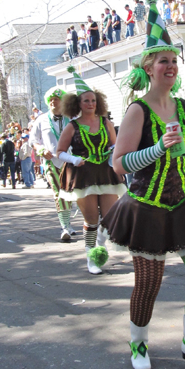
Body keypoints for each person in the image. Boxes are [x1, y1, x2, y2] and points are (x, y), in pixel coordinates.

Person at [101, 0, 185, 369]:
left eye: (174, 60)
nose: (170, 66)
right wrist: (156, 148)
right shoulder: (137, 110)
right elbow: (119, 165)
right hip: (147, 206)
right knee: (149, 282)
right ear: (148, 67)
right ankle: (138, 344)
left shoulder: (184, 106)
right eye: (163, 61)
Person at [57, 67, 126, 273]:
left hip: (105, 173)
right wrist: (73, 158)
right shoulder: (72, 126)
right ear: (77, 104)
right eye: (86, 101)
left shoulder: (106, 123)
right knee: (91, 220)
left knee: (110, 217)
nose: (90, 104)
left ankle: (100, 248)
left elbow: (115, 146)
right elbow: (59, 151)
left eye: (93, 100)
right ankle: (91, 257)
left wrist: (116, 156)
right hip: (82, 175)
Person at [30, 87, 77, 242]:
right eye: (50, 100)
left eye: (56, 99)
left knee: (69, 193)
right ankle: (64, 227)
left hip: (69, 161)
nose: (52, 102)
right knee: (59, 192)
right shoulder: (41, 120)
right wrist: (41, 149)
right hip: (51, 162)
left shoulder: (71, 118)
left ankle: (68, 224)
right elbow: (33, 141)